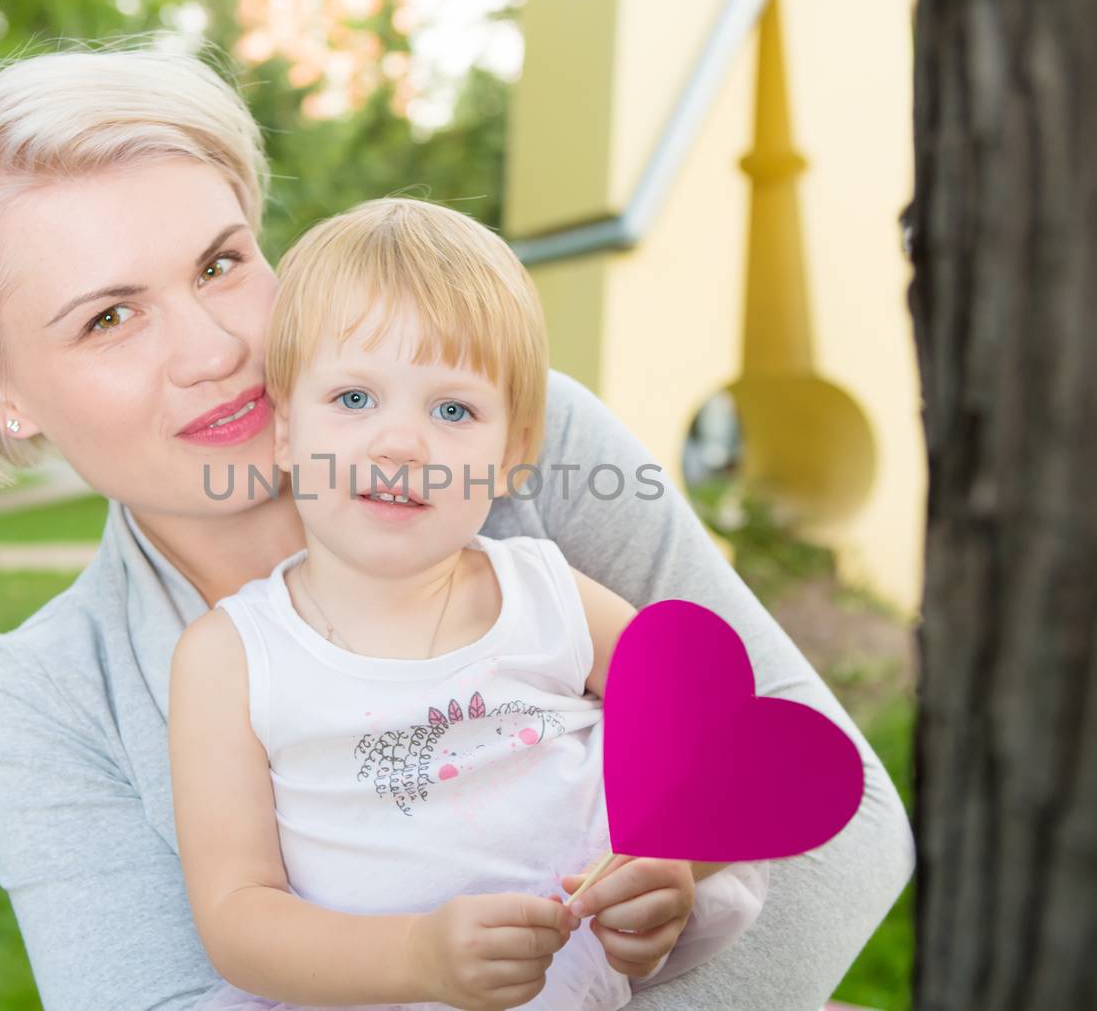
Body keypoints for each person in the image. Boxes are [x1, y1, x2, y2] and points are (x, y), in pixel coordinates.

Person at [0, 42, 914, 1010]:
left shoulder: (512, 442)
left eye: (220, 263)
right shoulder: (55, 696)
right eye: (109, 316)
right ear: (0, 395)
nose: (214, 344)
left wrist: (681, 873)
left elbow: (838, 817)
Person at [172, 198, 769, 1011]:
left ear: (511, 453)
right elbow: (237, 916)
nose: (401, 443)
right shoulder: (231, 656)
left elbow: (715, 741)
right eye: (353, 398)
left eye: (453, 410)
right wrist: (417, 956)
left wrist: (669, 864)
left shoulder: (549, 595)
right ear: (283, 430)